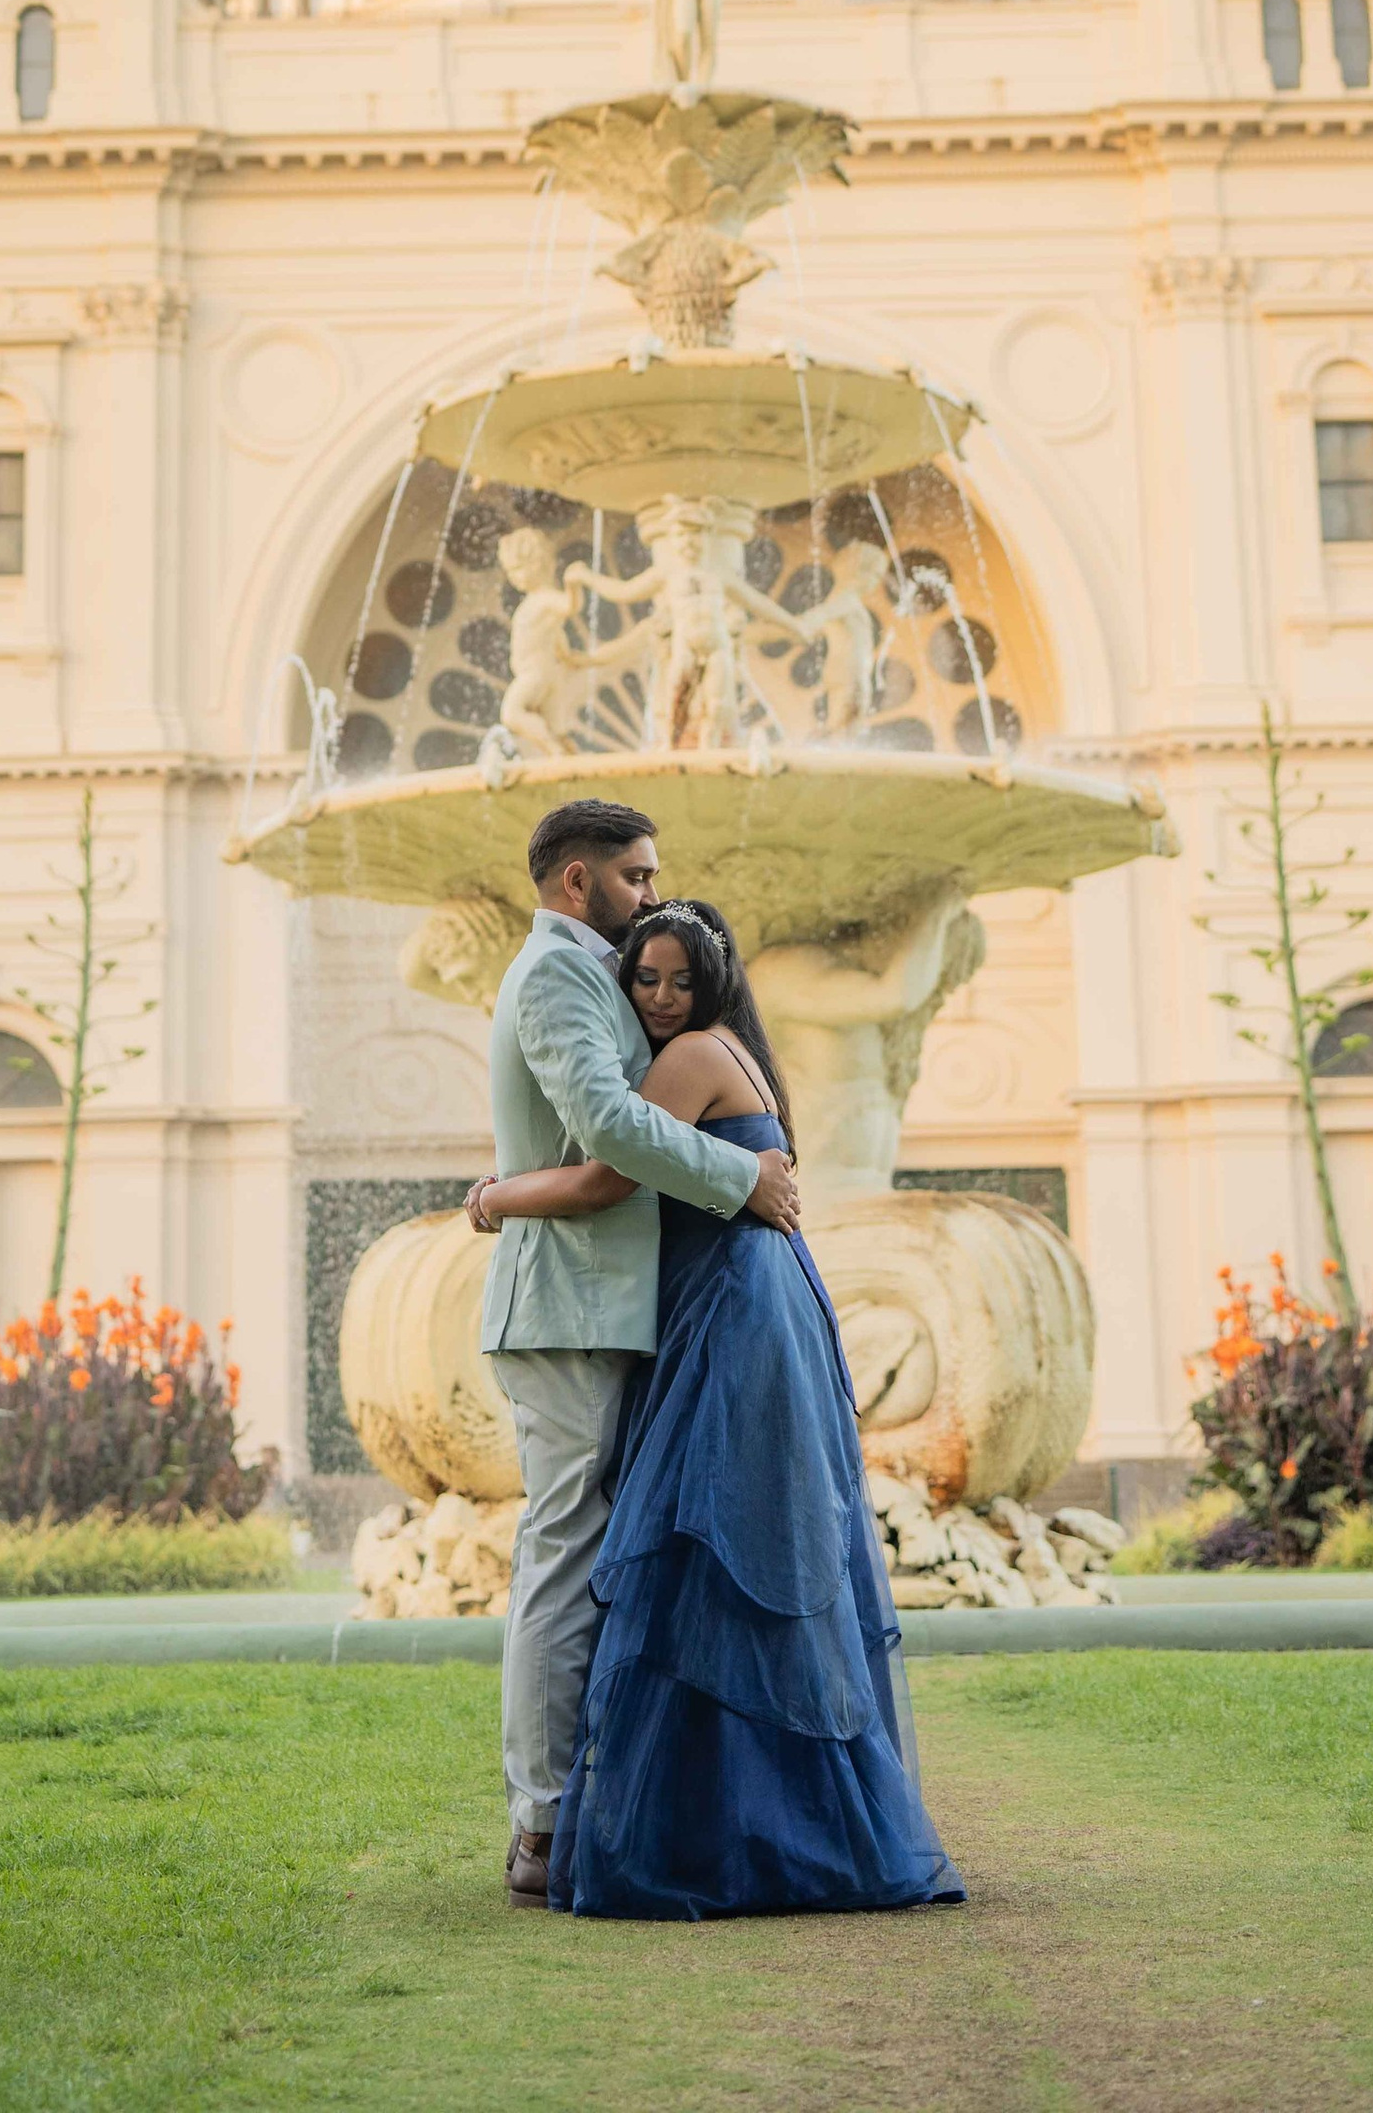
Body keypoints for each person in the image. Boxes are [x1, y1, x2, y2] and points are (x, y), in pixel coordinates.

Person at [469, 896, 963, 1922]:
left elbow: (607, 1173)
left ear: (713, 984)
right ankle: (751, 1816)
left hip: (730, 1317)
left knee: (710, 1558)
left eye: (677, 979)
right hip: (743, 1301)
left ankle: (725, 1830)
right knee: (730, 1557)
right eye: (643, 978)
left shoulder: (693, 1055)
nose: (656, 996)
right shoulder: (728, 1048)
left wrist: (490, 1199)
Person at [481, 798, 802, 1911]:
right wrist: (741, 1178)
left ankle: (607, 1801)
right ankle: (541, 1823)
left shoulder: (598, 971)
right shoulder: (560, 974)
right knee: (563, 1559)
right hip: (566, 1310)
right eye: (634, 876)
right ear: (576, 882)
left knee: (594, 1561)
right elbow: (610, 1131)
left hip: (617, 1308)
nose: (652, 895)